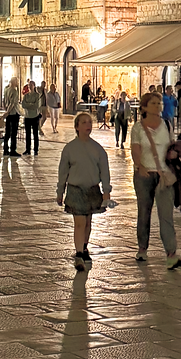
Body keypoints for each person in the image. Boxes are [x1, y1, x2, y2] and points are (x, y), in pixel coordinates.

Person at [130, 91, 181, 270]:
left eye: (159, 103)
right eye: (153, 103)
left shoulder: (167, 125)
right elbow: (135, 149)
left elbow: (172, 146)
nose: (158, 106)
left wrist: (174, 155)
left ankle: (171, 253)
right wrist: (140, 166)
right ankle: (142, 248)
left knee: (166, 214)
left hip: (164, 175)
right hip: (144, 174)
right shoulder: (138, 128)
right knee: (144, 212)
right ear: (144, 107)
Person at [56, 111, 110, 271]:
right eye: (84, 122)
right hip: (75, 190)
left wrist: (106, 191)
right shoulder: (70, 149)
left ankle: (84, 247)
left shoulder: (98, 149)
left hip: (92, 189)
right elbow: (63, 171)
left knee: (87, 222)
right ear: (77, 127)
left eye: (89, 122)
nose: (88, 125)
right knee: (79, 222)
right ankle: (79, 253)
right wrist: (60, 191)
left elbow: (104, 171)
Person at [2, 76, 21, 157]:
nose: (18, 83)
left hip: (8, 114)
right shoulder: (14, 91)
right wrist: (8, 111)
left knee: (7, 132)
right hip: (13, 113)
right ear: (14, 82)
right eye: (17, 81)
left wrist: (6, 110)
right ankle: (13, 150)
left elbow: (4, 101)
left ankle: (5, 149)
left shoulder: (6, 90)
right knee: (13, 133)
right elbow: (12, 103)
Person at [22, 81, 42, 155]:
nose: (30, 87)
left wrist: (28, 105)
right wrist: (31, 104)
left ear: (34, 86)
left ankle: (36, 149)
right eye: (29, 85)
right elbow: (23, 105)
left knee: (35, 134)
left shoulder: (37, 95)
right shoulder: (26, 96)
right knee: (27, 134)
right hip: (27, 116)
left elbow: (36, 105)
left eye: (31, 85)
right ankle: (28, 149)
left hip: (35, 116)